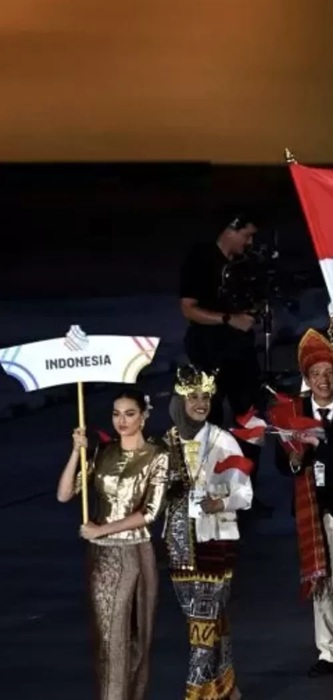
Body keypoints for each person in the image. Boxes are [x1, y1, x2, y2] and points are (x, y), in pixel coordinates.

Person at [56, 389, 169, 700]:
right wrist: (75, 452)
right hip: (103, 557)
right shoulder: (103, 452)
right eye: (116, 414)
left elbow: (149, 513)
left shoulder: (158, 455)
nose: (122, 420)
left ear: (144, 416)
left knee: (138, 638)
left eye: (130, 413)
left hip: (136, 551)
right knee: (108, 639)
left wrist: (102, 529)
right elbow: (65, 494)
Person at [275, 329, 333, 686]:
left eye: (329, 373)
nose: (324, 380)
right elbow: (282, 464)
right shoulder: (293, 413)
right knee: (321, 581)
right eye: (316, 375)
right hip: (311, 508)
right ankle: (327, 651)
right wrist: (297, 458)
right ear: (307, 379)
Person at [162, 366, 253, 700]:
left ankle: (197, 694)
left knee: (202, 629)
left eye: (205, 397)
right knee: (207, 624)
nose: (200, 403)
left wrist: (221, 503)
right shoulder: (165, 443)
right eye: (193, 397)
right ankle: (226, 686)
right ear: (180, 400)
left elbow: (245, 495)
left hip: (214, 542)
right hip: (178, 548)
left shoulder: (223, 440)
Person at [178, 213, 269, 514]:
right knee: (210, 421)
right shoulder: (201, 257)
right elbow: (188, 309)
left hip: (241, 352)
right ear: (232, 228)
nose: (250, 242)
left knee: (252, 420)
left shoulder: (245, 264)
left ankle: (244, 492)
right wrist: (229, 319)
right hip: (208, 350)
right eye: (247, 235)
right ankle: (208, 494)